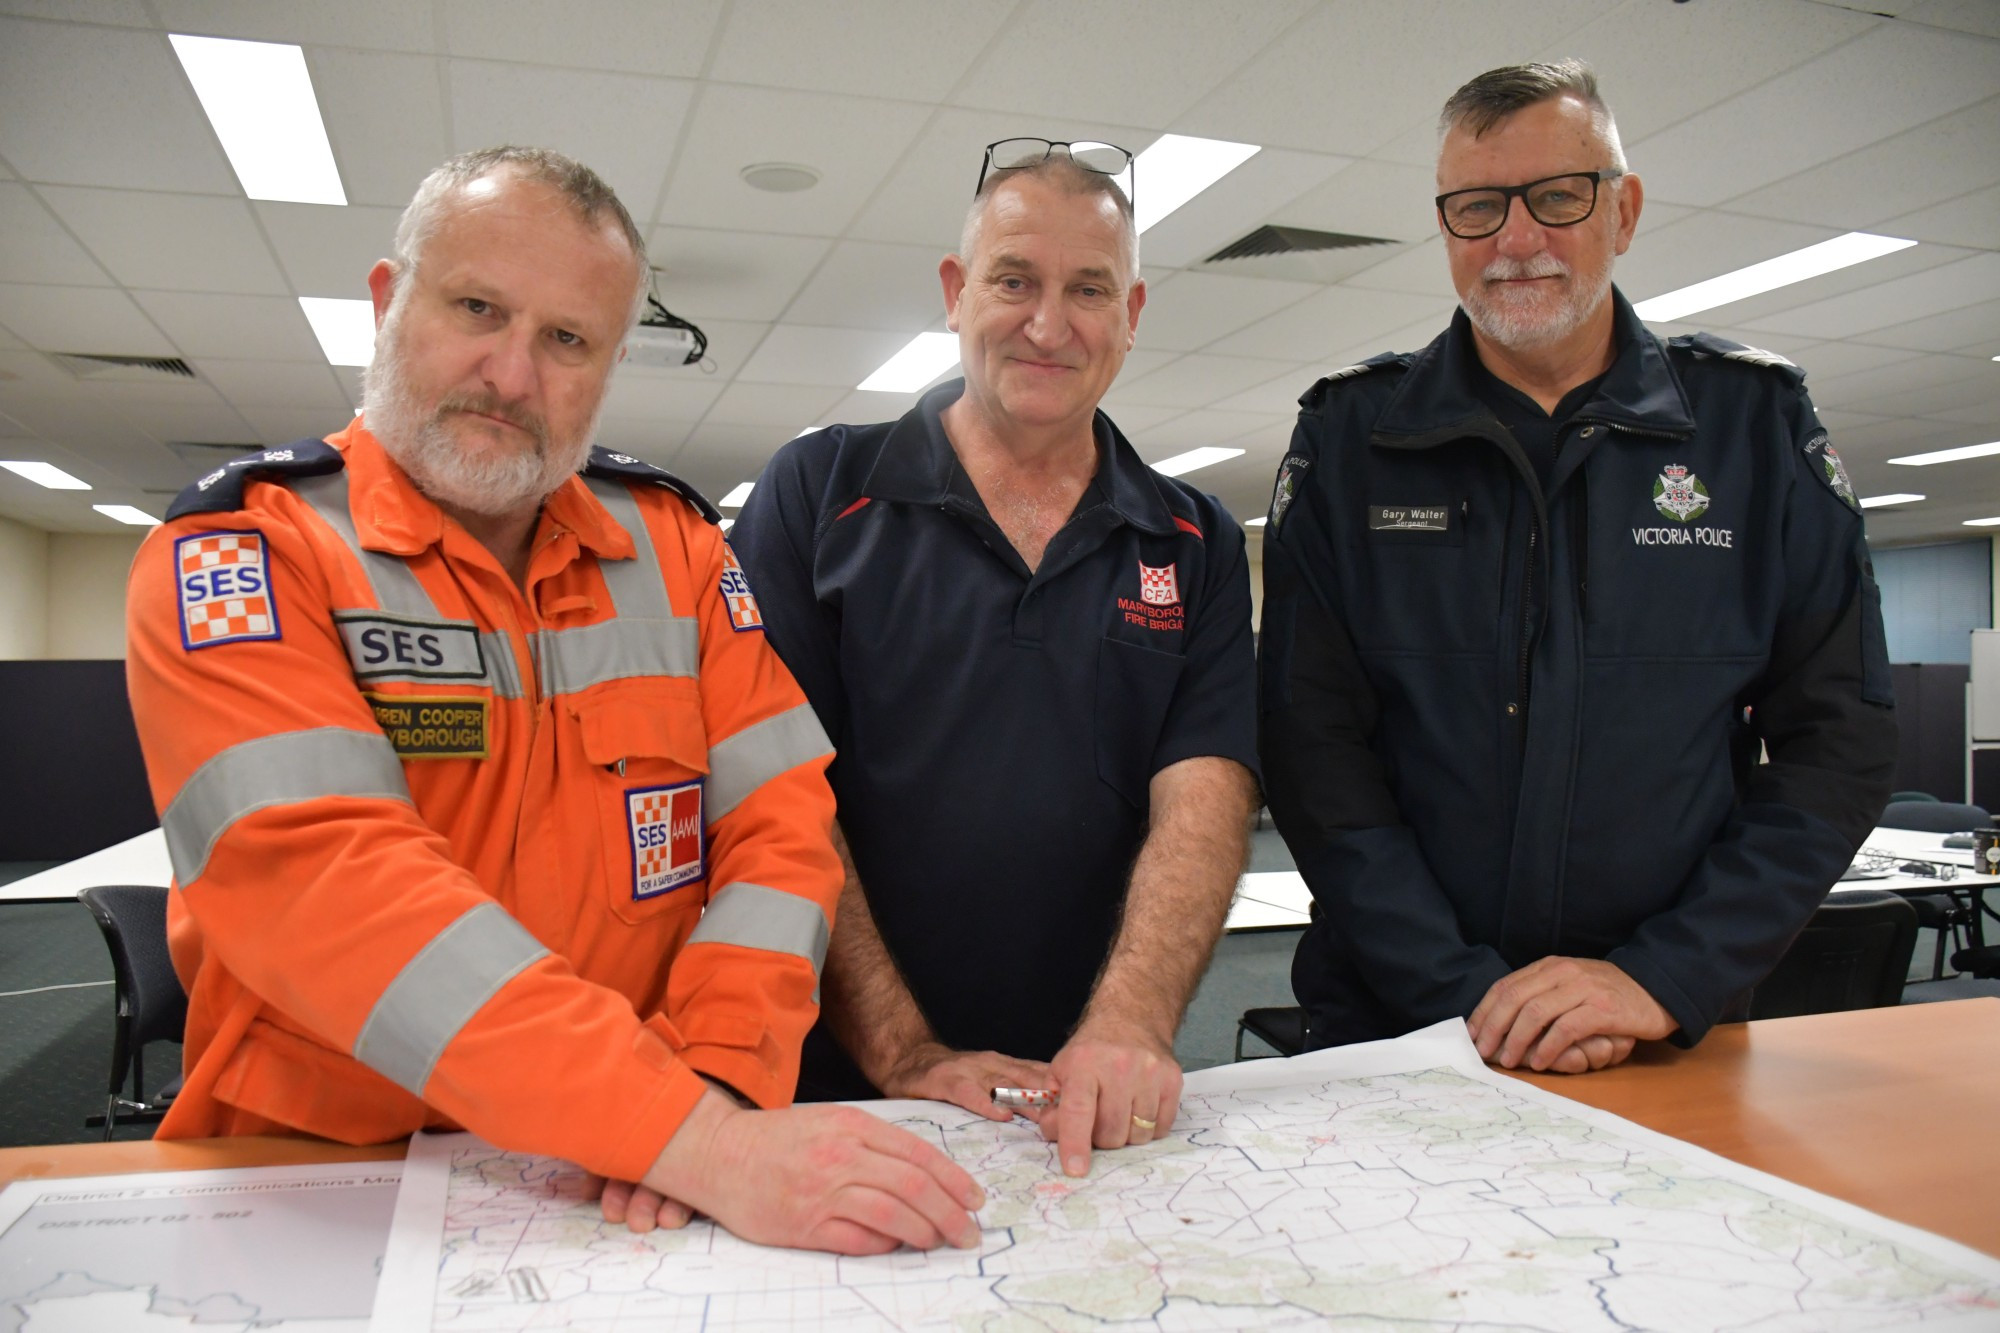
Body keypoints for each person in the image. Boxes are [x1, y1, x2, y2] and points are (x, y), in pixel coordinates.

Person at [125, 147, 984, 1255]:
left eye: (567, 339)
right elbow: (328, 887)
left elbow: (779, 829)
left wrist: (717, 1074)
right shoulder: (244, 554)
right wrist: (690, 1135)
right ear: (389, 304)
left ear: (610, 364)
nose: (513, 373)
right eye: (477, 307)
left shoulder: (674, 552)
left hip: (621, 1175)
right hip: (327, 1179)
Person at [1259, 62, 1897, 1074]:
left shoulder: (1749, 429)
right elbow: (1312, 756)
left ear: (1623, 209)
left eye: (1557, 197)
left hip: (1660, 1026)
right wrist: (1459, 994)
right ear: (1445, 227)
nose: (1514, 241)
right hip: (1403, 1030)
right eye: (1476, 208)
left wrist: (1662, 976)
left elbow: (1839, 742)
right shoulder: (1352, 441)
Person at [730, 139, 1259, 1177]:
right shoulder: (815, 494)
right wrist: (904, 1051)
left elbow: (1203, 795)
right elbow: (776, 791)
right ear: (953, 290)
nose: (1048, 323)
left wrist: (1131, 1025)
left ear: (1132, 312)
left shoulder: (1191, 539)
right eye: (1013, 279)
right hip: (841, 1091)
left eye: (1088, 288)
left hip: (1088, 1096)